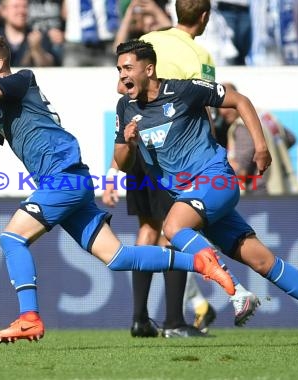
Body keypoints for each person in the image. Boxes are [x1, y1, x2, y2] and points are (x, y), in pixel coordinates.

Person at [0, 30, 236, 343]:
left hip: (63, 176)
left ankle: (29, 318)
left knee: (11, 238)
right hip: (69, 181)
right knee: (118, 257)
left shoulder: (20, 80)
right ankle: (201, 263)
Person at [113, 39, 298, 346]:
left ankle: (236, 291)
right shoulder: (125, 107)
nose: (122, 76)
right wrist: (128, 141)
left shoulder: (184, 91)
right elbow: (123, 164)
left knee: (173, 227)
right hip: (189, 197)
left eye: (127, 68)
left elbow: (239, 101)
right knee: (263, 262)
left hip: (215, 181)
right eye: (119, 69)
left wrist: (260, 146)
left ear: (148, 69)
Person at [107, 0, 260, 338]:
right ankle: (175, 320)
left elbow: (124, 89)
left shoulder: (146, 40)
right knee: (172, 231)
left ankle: (139, 318)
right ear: (204, 17)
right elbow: (204, 107)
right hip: (169, 155)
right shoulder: (199, 54)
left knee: (147, 230)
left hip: (139, 144)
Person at [218, 82, 298, 195]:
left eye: (225, 106)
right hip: (282, 184)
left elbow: (242, 168)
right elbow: (290, 138)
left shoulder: (242, 126)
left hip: (261, 191)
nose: (222, 112)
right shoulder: (265, 115)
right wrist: (272, 153)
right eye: (219, 107)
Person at [0, 0, 56, 67]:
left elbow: (50, 66)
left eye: (25, 7)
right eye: (16, 7)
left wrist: (37, 50)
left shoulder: (38, 36)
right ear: (3, 11)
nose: (21, 11)